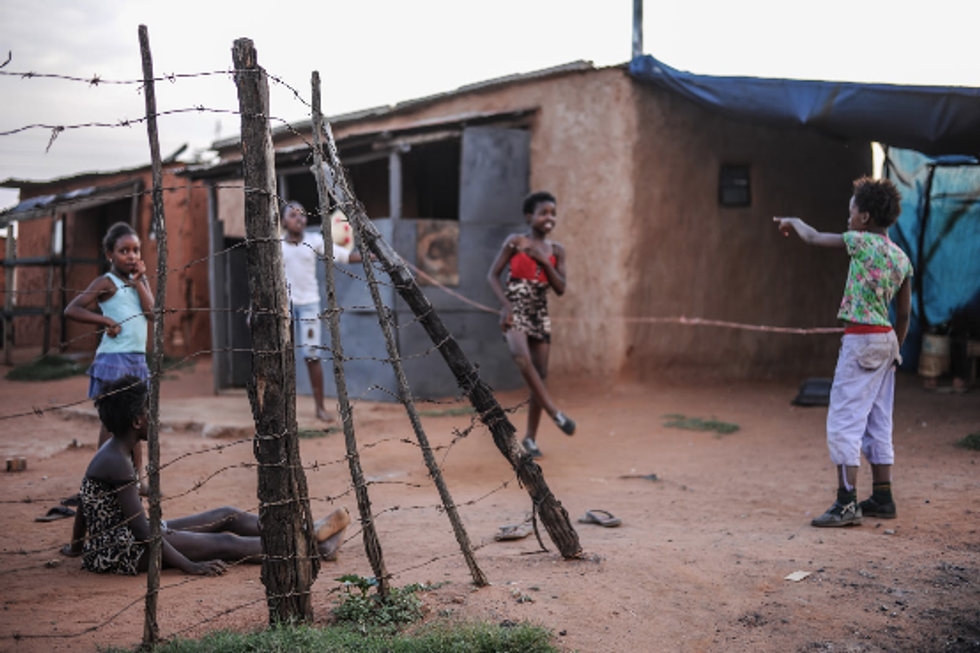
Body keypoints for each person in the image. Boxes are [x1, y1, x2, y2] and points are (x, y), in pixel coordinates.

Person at [61, 375, 350, 575]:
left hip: (130, 539)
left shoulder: (114, 452)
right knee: (225, 543)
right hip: (124, 553)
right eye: (152, 411)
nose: (157, 417)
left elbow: (86, 504)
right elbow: (142, 533)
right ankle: (310, 546)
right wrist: (189, 565)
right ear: (137, 421)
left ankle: (307, 531)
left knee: (227, 514)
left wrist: (76, 547)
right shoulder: (118, 463)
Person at [774, 176, 913, 527]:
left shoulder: (860, 242)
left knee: (844, 420)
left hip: (862, 340)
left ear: (864, 217)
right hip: (887, 340)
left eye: (851, 211)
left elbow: (815, 237)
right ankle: (882, 495)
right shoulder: (901, 258)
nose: (847, 217)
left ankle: (847, 502)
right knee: (879, 421)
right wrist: (895, 348)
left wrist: (794, 222)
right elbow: (905, 313)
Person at [65, 222, 153, 491]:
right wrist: (104, 320)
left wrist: (140, 282)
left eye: (136, 250)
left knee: (137, 420)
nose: (131, 256)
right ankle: (99, 479)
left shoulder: (139, 280)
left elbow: (151, 313)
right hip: (114, 359)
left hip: (137, 360)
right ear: (109, 255)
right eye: (124, 250)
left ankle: (138, 478)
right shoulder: (107, 282)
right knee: (112, 421)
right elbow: (73, 308)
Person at [487, 191, 576, 459]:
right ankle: (554, 412)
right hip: (516, 308)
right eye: (543, 213)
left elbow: (560, 288)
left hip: (540, 310)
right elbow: (492, 275)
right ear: (530, 216)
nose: (549, 218)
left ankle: (531, 439)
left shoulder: (556, 250)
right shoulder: (515, 242)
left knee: (540, 373)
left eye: (552, 213)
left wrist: (542, 261)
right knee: (520, 356)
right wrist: (507, 306)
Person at [280, 201, 362, 422]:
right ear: (283, 221)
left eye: (303, 215)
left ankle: (319, 407)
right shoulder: (277, 245)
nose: (299, 219)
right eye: (293, 215)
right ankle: (283, 409)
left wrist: (369, 256)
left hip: (308, 306)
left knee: (311, 355)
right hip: (284, 307)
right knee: (281, 356)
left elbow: (342, 256)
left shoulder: (314, 241)